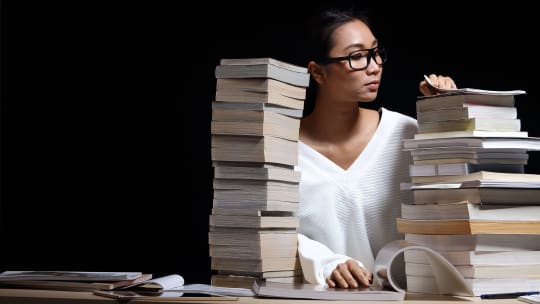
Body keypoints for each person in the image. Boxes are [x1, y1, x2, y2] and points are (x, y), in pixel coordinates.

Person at [295, 7, 457, 289]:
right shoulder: (281, 150)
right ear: (317, 72)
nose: (374, 66)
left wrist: (445, 119)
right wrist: (323, 261)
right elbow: (268, 233)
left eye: (376, 52)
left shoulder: (407, 134)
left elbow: (455, 207)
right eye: (357, 56)